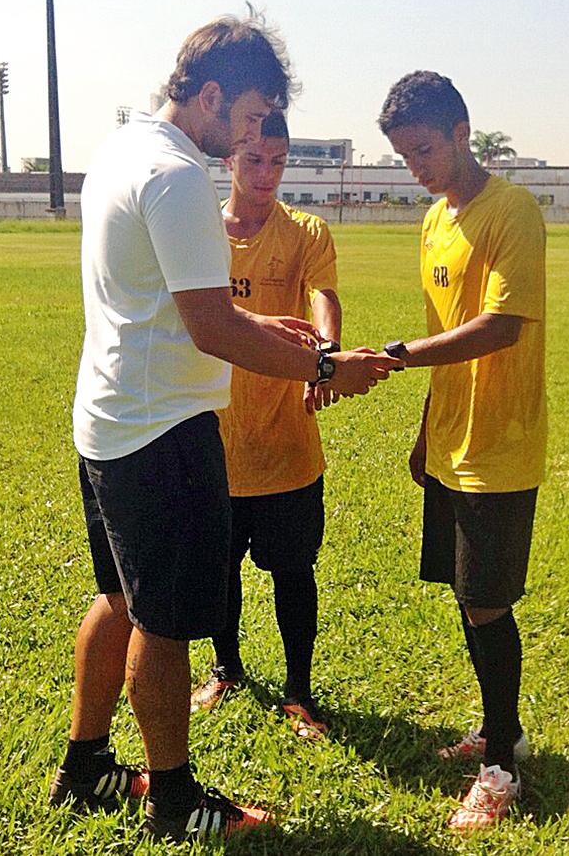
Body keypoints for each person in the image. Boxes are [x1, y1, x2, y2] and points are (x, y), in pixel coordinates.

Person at [49, 13, 399, 843]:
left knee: (116, 599)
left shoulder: (121, 152)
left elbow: (172, 297)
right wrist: (325, 367)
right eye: (247, 118)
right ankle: (175, 802)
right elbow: (207, 328)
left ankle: (86, 765)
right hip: (162, 433)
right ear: (210, 96)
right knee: (164, 627)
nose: (253, 135)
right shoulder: (175, 177)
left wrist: (266, 324)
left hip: (106, 419)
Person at [378, 71, 547, 830]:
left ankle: (501, 768)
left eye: (422, 150)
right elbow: (443, 324)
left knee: (486, 601)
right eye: (402, 156)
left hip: (499, 442)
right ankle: (495, 725)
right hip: (449, 439)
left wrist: (398, 354)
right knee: (465, 594)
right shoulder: (431, 220)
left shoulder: (511, 210)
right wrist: (423, 427)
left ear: (459, 132)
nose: (415, 166)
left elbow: (501, 324)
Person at [190, 112, 340, 738]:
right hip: (212, 438)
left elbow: (323, 298)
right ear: (230, 160)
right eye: (254, 160)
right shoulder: (200, 230)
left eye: (277, 162)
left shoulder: (305, 230)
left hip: (286, 444)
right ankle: (225, 668)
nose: (266, 175)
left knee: (292, 572)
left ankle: (299, 692)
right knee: (218, 572)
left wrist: (324, 359)